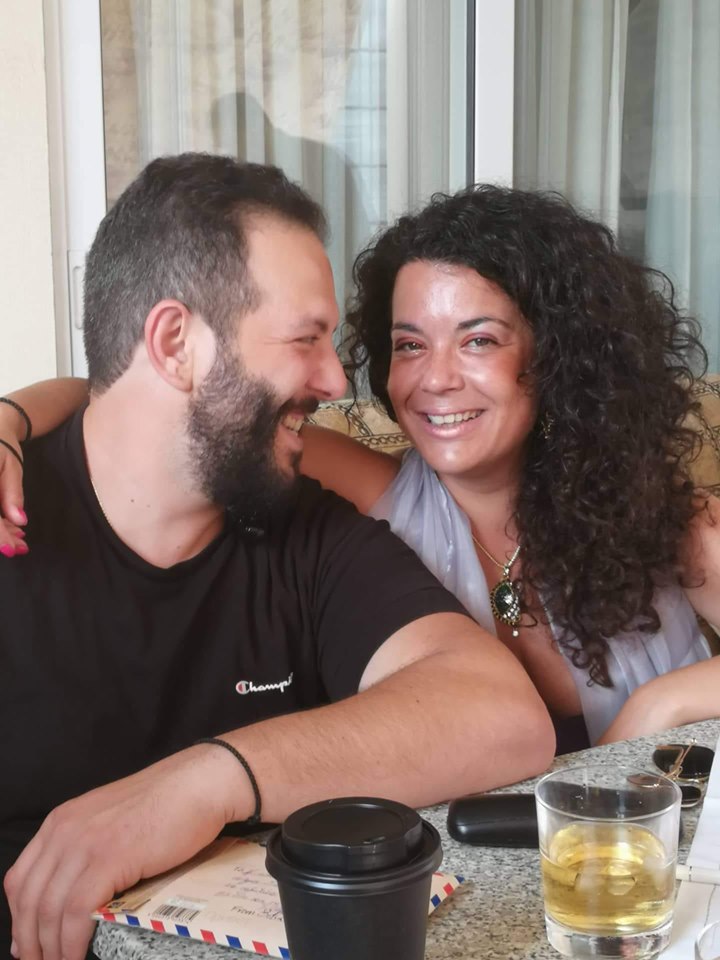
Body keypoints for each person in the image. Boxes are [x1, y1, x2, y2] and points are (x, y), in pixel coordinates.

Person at [0, 160, 555, 960]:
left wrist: (207, 782)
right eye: (305, 339)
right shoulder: (17, 518)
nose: (335, 379)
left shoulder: (304, 527)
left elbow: (504, 716)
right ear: (175, 344)